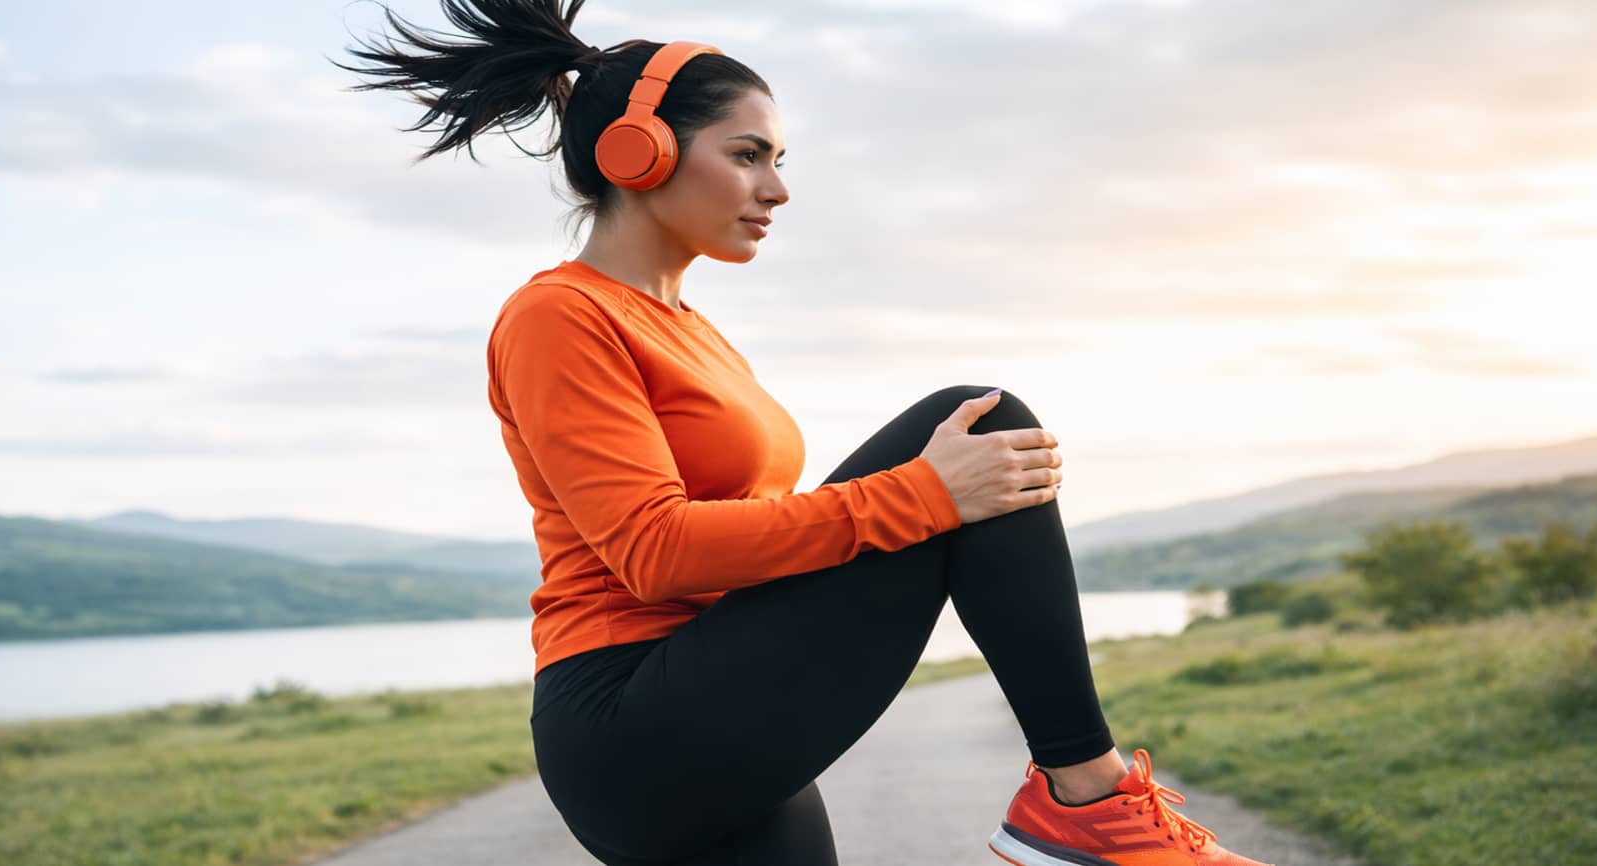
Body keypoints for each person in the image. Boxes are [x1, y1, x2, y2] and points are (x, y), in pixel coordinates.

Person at [337, 3, 1273, 864]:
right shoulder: (559, 315)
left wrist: (920, 501)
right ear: (637, 152)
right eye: (748, 155)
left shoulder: (695, 331)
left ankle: (1083, 804)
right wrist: (926, 495)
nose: (777, 189)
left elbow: (766, 536)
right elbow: (654, 553)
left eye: (779, 160)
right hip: (634, 717)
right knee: (983, 420)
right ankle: (1086, 797)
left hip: (720, 684)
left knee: (970, 448)